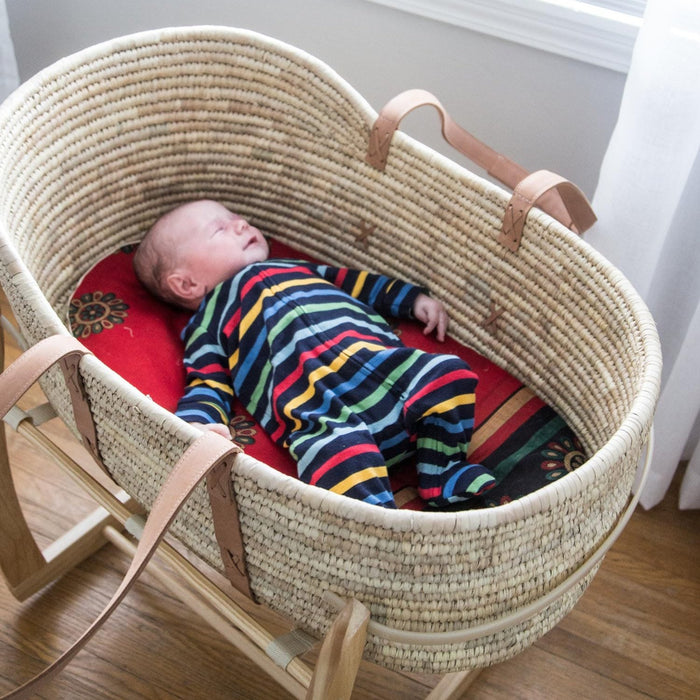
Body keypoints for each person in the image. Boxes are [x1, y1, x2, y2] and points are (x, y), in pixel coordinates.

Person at [134, 199, 495, 508]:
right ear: (186, 284)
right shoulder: (208, 322)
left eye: (236, 218)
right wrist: (195, 424)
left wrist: (411, 298)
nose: (241, 223)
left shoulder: (294, 268)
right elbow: (206, 381)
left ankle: (441, 471)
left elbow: (359, 283)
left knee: (447, 373)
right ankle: (379, 521)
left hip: (386, 373)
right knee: (331, 456)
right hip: (319, 412)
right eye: (221, 229)